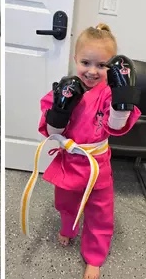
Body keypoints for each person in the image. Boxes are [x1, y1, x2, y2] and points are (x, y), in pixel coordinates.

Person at [38, 24, 141, 279]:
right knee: (66, 203)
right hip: (69, 161)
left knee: (100, 211)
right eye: (86, 62)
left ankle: (94, 257)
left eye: (102, 66)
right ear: (75, 59)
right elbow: (52, 131)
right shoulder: (64, 88)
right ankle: (69, 229)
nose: (92, 71)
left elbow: (116, 127)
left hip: (97, 165)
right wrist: (61, 108)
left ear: (113, 69)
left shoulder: (108, 94)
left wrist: (121, 101)